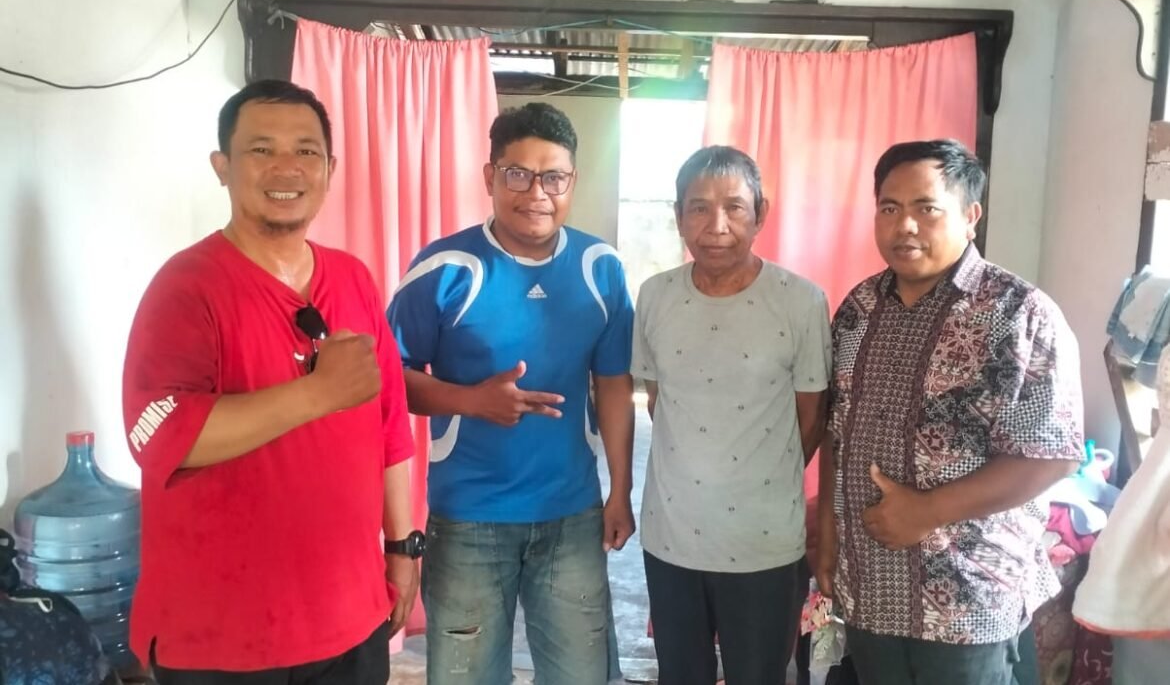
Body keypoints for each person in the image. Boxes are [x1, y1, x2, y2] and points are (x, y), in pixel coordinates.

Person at [122, 79, 419, 683]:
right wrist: (315, 394)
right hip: (222, 639)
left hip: (350, 618)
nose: (287, 168)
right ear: (222, 167)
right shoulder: (186, 288)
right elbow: (156, 435)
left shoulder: (353, 278)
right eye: (261, 149)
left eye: (307, 151)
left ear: (330, 169)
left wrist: (402, 546)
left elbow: (390, 426)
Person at [817, 139, 1085, 685]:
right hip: (869, 584)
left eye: (926, 208)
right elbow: (835, 431)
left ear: (970, 216)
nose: (905, 225)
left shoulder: (1020, 313)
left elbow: (1053, 456)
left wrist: (927, 510)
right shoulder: (858, 309)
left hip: (968, 598)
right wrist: (826, 530)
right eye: (889, 208)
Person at [386, 102, 635, 685]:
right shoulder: (444, 268)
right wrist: (471, 401)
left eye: (554, 177)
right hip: (469, 519)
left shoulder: (600, 267)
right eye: (518, 174)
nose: (536, 194)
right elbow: (388, 381)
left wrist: (620, 491)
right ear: (490, 177)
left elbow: (614, 383)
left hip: (571, 514)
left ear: (572, 181)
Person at [631, 145, 830, 684]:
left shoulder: (801, 301)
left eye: (734, 207)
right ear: (678, 216)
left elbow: (811, 419)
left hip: (764, 542)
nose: (716, 226)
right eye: (698, 208)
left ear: (760, 213)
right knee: (680, 674)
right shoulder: (655, 296)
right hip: (671, 537)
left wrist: (755, 475)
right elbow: (659, 401)